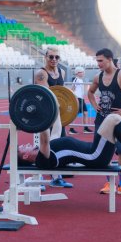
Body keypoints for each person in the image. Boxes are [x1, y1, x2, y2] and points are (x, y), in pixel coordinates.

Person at [88, 48, 121, 197]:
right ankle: (108, 182)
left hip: (117, 122)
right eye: (97, 60)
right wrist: (94, 106)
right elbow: (90, 92)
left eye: (100, 60)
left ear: (109, 59)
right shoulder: (97, 77)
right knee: (104, 153)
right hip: (101, 120)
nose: (98, 63)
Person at [18, 113, 121, 169]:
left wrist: (53, 108)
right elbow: (44, 139)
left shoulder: (47, 149)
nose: (26, 144)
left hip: (95, 150)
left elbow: (56, 129)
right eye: (23, 147)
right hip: (95, 156)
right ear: (25, 156)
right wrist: (41, 119)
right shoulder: (42, 160)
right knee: (114, 119)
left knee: (112, 118)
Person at [34, 46, 72, 188]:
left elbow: (62, 94)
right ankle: (39, 178)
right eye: (51, 57)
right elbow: (47, 95)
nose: (54, 60)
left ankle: (57, 177)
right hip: (45, 114)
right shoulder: (41, 74)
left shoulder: (61, 71)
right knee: (43, 145)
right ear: (46, 57)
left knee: (58, 144)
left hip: (59, 115)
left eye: (57, 57)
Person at [69, 67, 93, 134]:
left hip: (81, 98)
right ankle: (71, 129)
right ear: (77, 73)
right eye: (82, 72)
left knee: (85, 113)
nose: (83, 73)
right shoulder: (76, 79)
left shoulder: (80, 80)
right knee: (75, 114)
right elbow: (72, 89)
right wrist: (74, 97)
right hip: (78, 98)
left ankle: (85, 128)